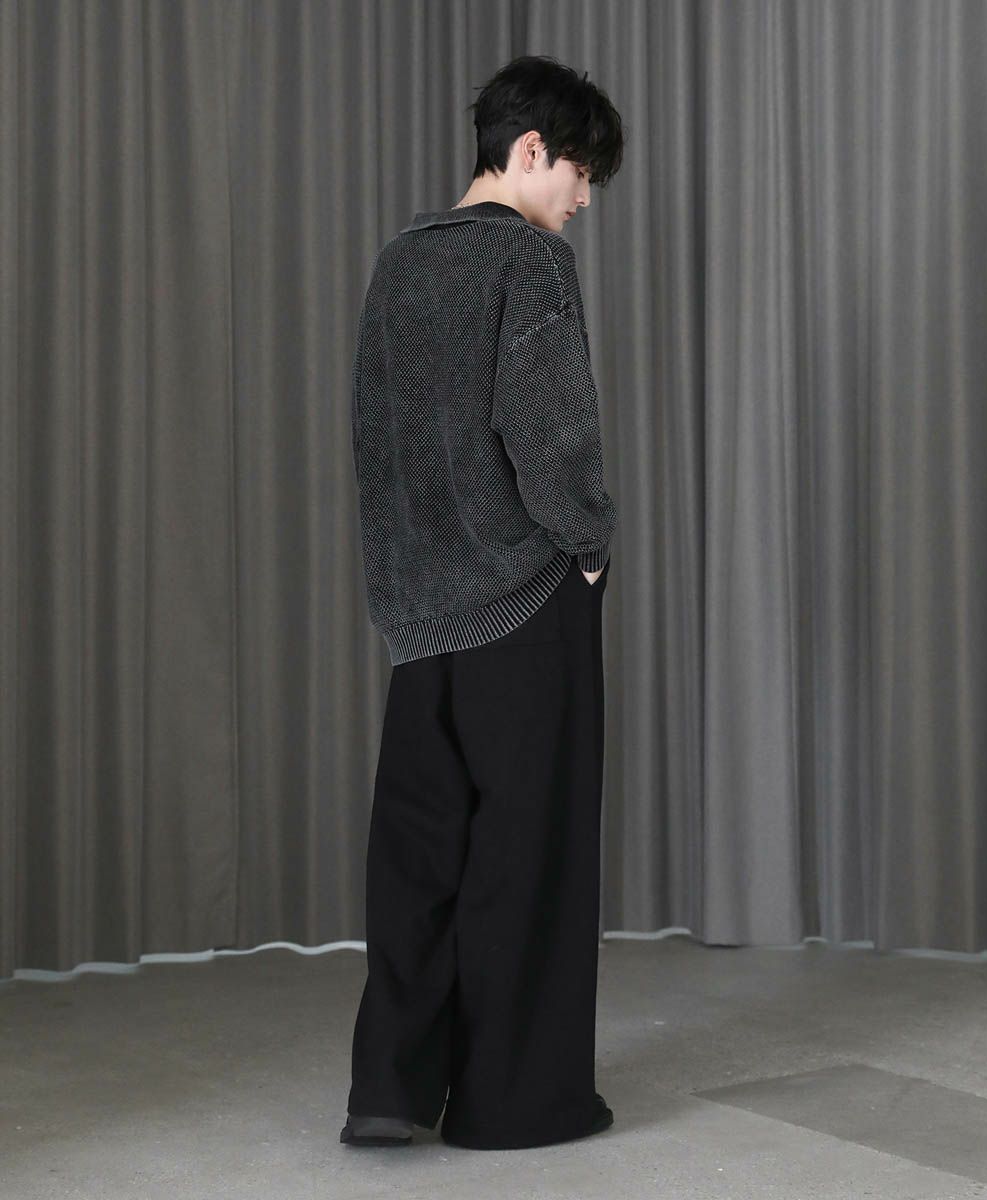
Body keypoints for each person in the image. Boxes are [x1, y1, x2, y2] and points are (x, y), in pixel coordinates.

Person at [341, 53, 626, 1151]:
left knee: (418, 850)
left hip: (420, 607)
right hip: (524, 594)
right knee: (527, 853)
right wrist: (588, 545)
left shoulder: (398, 261)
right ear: (529, 149)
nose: (584, 197)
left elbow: (378, 435)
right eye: (581, 171)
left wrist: (400, 578)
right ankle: (515, 1102)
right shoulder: (529, 261)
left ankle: (389, 1088)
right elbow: (551, 428)